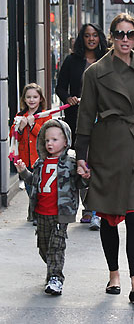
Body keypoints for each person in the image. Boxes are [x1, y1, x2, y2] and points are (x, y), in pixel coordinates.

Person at [75, 13, 134, 303]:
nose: (125, 39)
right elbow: (85, 117)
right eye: (120, 34)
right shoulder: (95, 72)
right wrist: (81, 158)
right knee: (109, 217)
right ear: (111, 36)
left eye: (131, 34)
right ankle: (114, 273)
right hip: (106, 149)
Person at [14, 119, 85, 295]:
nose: (49, 144)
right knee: (43, 247)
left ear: (66, 141)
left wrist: (85, 176)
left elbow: (79, 183)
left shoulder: (70, 162)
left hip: (61, 212)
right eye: (46, 140)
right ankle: (53, 270)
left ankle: (56, 278)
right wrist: (23, 172)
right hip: (41, 212)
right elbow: (34, 182)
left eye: (54, 140)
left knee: (56, 246)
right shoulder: (40, 162)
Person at [55, 23, 108, 228]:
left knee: (98, 162)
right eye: (87, 36)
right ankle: (84, 208)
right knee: (81, 161)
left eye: (95, 35)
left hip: (102, 118)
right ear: (82, 38)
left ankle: (93, 209)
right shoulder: (72, 60)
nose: (91, 39)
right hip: (77, 118)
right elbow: (60, 86)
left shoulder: (107, 59)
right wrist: (69, 98)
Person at [10, 83, 52, 224]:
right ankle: (34, 208)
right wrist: (20, 128)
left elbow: (47, 135)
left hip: (40, 158)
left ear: (40, 98)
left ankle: (37, 211)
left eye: (35, 97)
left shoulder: (45, 115)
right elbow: (14, 137)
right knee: (29, 187)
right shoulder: (19, 116)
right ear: (24, 99)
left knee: (39, 186)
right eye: (28, 97)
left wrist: (33, 125)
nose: (32, 100)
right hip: (25, 159)